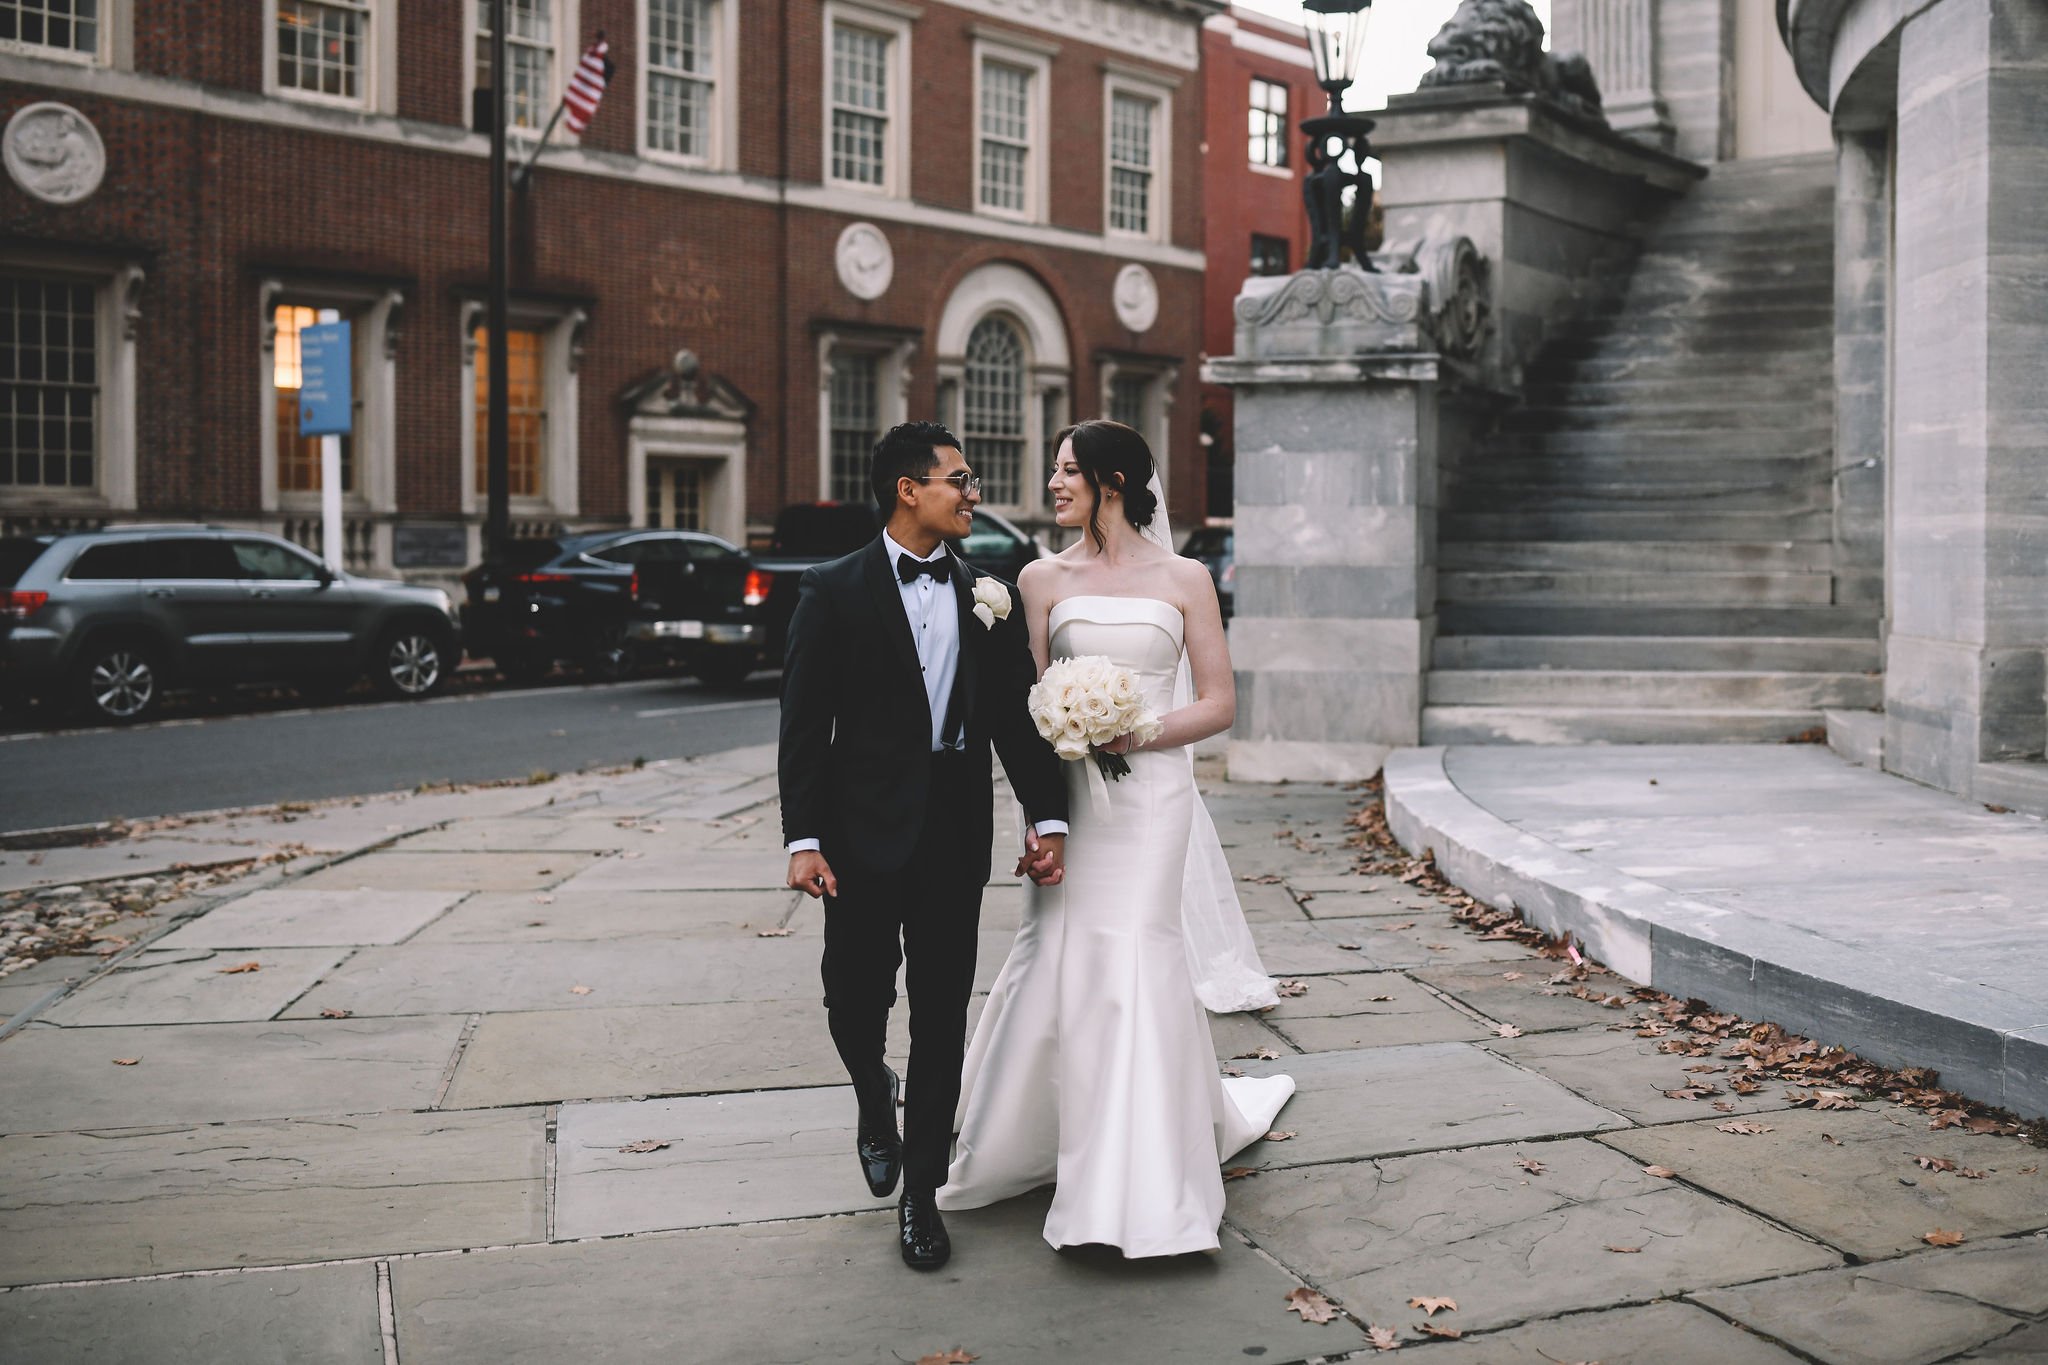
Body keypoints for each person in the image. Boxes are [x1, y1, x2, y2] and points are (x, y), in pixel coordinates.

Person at [937, 419, 1295, 1257]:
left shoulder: (1185, 578)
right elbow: (1025, 709)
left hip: (1154, 794)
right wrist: (1040, 808)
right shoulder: (1037, 577)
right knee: (1056, 946)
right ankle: (1032, 1137)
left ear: (1115, 484)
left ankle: (1139, 1175)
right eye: (1054, 469)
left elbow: (1218, 702)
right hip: (1070, 800)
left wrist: (1137, 730)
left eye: (1068, 471)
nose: (1053, 483)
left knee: (1137, 950)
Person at [779, 420, 1071, 1271]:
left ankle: (921, 1198)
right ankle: (875, 1092)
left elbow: (1017, 722)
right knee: (852, 998)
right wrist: (804, 838)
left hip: (952, 833)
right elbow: (803, 726)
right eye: (959, 479)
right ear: (910, 489)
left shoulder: (989, 591)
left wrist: (1046, 817)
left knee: (942, 1014)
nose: (972, 493)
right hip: (859, 832)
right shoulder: (831, 589)